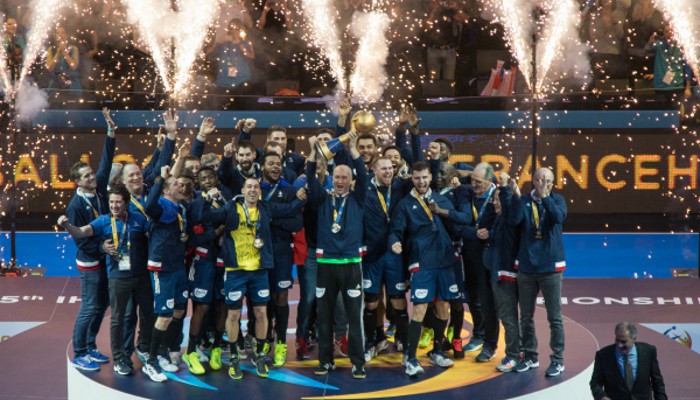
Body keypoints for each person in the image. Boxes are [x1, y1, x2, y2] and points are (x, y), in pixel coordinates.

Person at [58, 184, 153, 377]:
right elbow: (82, 232)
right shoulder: (103, 221)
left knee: (147, 315)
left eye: (118, 202)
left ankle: (138, 350)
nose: (114, 205)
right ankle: (120, 359)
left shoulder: (138, 219)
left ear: (126, 203)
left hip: (141, 276)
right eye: (111, 202)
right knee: (119, 319)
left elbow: (152, 236)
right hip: (118, 278)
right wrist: (67, 225)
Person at [218, 177, 304, 379]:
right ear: (242, 190)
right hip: (235, 270)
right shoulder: (232, 209)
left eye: (256, 187)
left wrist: (302, 198)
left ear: (260, 191)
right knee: (233, 315)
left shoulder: (266, 208)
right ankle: (233, 358)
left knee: (261, 313)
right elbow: (209, 216)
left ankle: (260, 355)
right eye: (249, 187)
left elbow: (290, 209)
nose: (253, 190)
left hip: (259, 270)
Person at [389, 161, 467, 377]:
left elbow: (458, 223)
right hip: (421, 262)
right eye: (417, 177)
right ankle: (411, 358)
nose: (421, 181)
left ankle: (437, 351)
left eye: (424, 177)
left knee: (443, 307)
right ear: (412, 179)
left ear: (430, 177)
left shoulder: (443, 200)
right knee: (421, 308)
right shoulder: (405, 204)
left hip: (445, 261)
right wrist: (395, 242)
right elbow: (396, 230)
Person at [305, 131, 367, 379]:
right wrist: (312, 151)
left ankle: (358, 362)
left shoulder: (358, 198)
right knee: (324, 316)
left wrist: (353, 149)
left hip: (352, 264)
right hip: (326, 264)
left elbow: (363, 173)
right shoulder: (322, 199)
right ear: (331, 178)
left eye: (345, 177)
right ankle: (325, 361)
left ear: (351, 181)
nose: (340, 181)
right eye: (337, 177)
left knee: (354, 317)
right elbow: (310, 177)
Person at [65, 108, 116, 371]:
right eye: (86, 176)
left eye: (91, 174)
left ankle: (91, 346)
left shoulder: (98, 191)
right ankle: (80, 352)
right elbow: (81, 242)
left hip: (104, 256)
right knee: (89, 306)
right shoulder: (75, 206)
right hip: (90, 262)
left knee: (102, 304)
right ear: (77, 182)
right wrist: (102, 247)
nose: (92, 177)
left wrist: (110, 133)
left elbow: (106, 163)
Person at [512, 168, 567, 377]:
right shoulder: (524, 201)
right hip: (526, 267)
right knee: (525, 317)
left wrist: (545, 198)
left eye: (550, 181)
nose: (547, 184)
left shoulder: (558, 200)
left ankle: (558, 360)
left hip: (550, 267)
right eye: (542, 180)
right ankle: (530, 356)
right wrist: (515, 196)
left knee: (555, 317)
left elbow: (557, 218)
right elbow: (515, 221)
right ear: (534, 181)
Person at [140, 166, 189, 383]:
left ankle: (164, 352)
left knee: (178, 311)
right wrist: (161, 178)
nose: (182, 186)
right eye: (177, 184)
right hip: (162, 267)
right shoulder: (160, 205)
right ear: (167, 190)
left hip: (178, 265)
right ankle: (150, 362)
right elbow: (149, 205)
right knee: (164, 315)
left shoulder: (181, 208)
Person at [590, 322, 667, 400]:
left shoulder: (648, 352)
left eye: (623, 342)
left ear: (634, 339)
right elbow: (595, 382)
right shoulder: (604, 355)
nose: (619, 345)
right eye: (617, 340)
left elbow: (657, 381)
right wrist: (601, 396)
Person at [46, 25, 81, 96]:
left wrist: (64, 52)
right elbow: (50, 68)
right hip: (56, 82)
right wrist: (58, 52)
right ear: (55, 36)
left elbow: (74, 66)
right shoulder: (51, 49)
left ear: (67, 35)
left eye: (63, 32)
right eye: (58, 33)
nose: (60, 35)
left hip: (71, 82)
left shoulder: (74, 48)